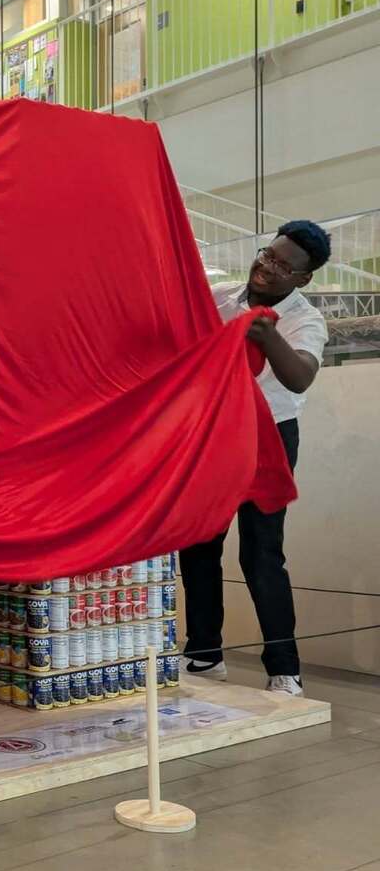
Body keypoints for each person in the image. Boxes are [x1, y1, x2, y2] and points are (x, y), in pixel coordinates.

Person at [181, 220, 331, 697]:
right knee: (200, 543)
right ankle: (204, 654)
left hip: (270, 437)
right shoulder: (221, 297)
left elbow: (300, 377)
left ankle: (285, 669)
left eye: (284, 266)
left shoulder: (305, 319)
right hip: (215, 433)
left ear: (302, 278)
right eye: (268, 254)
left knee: (261, 554)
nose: (267, 267)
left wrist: (265, 335)